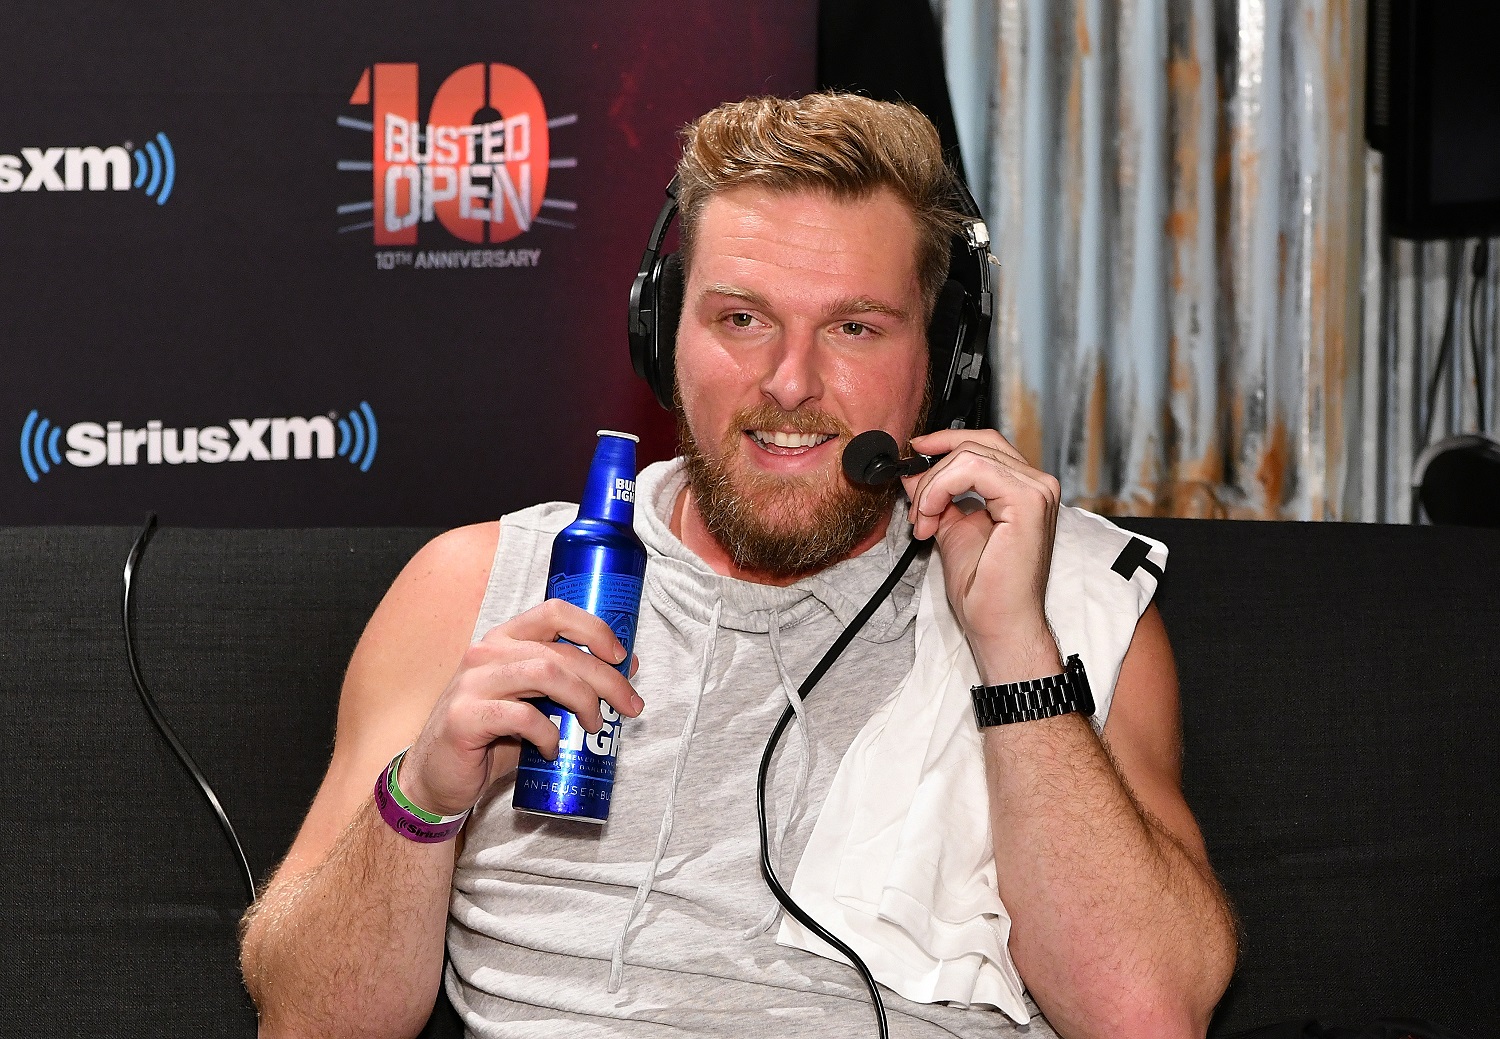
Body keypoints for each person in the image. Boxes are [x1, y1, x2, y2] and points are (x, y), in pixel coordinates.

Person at [240, 93, 1237, 1039]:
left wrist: (1013, 649)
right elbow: (310, 1019)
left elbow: (1144, 1013)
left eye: (854, 327)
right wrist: (422, 796)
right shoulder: (477, 587)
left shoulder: (1060, 602)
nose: (790, 383)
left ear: (943, 359)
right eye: (742, 319)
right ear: (662, 333)